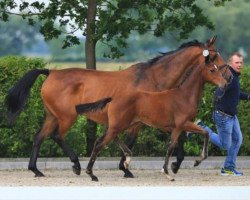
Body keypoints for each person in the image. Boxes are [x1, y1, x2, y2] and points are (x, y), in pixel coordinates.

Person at [198, 52, 250, 176]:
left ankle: (228, 168)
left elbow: (235, 94)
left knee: (237, 140)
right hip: (223, 116)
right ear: (230, 63)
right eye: (237, 62)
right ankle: (201, 128)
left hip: (232, 116)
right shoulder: (228, 76)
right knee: (224, 145)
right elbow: (219, 90)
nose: (239, 65)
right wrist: (219, 102)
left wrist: (248, 96)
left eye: (241, 62)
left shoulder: (234, 76)